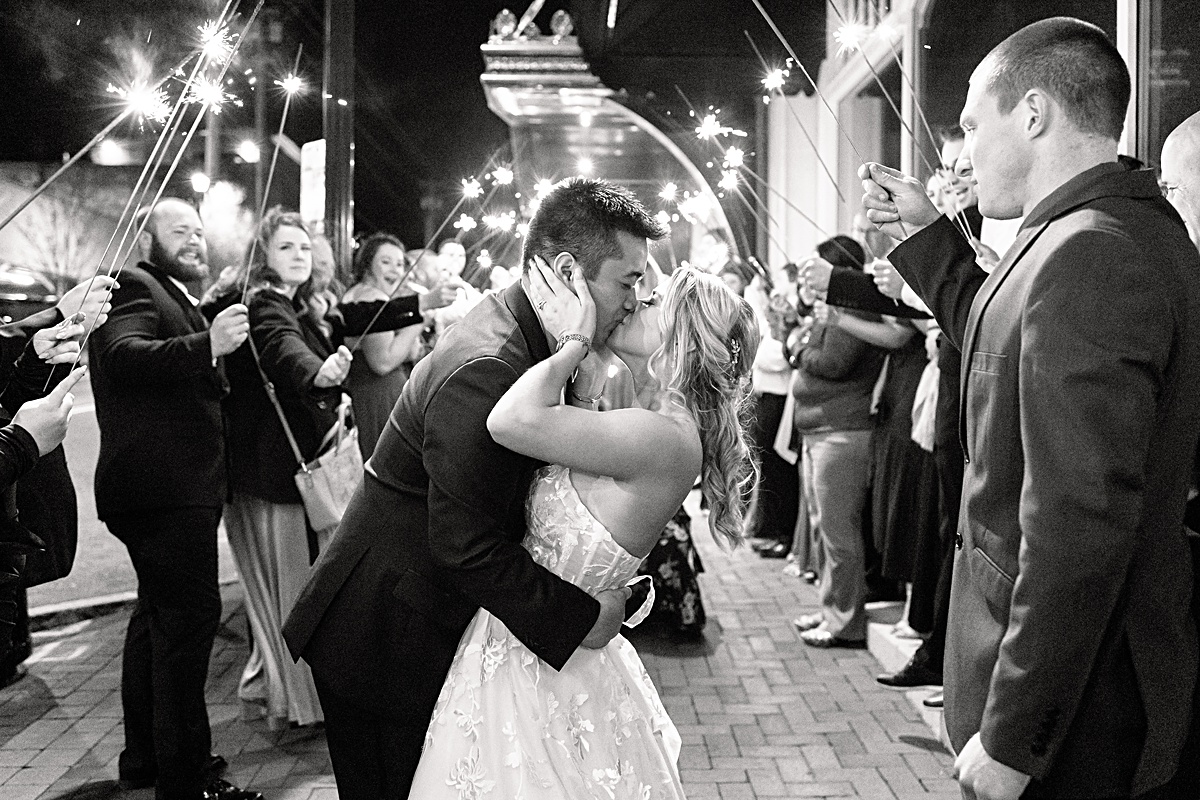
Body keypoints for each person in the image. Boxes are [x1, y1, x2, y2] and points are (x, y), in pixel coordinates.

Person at [860, 17, 1200, 799]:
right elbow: (1003, 333)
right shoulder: (1084, 234)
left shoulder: (1094, 251)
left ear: (1036, 113)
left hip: (1082, 707)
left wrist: (1016, 736)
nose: (967, 149)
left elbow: (1079, 522)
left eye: (974, 124)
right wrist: (926, 236)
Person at [282, 177, 667, 799]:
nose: (638, 297)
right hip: (390, 630)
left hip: (426, 615)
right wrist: (582, 618)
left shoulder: (526, 337)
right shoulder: (490, 364)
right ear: (569, 273)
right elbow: (461, 542)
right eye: (628, 281)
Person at [408, 261, 758, 798]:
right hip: (542, 638)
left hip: (543, 661)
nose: (636, 302)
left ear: (686, 340)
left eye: (654, 300)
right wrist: (589, 387)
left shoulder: (660, 434)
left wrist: (573, 343)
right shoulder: (652, 422)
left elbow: (509, 421)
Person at [88, 198, 260, 800]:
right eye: (178, 230)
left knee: (156, 625)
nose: (193, 240)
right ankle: (191, 781)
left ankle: (145, 764)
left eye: (197, 231)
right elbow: (122, 358)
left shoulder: (177, 294)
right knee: (187, 629)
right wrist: (206, 344)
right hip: (163, 491)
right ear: (146, 235)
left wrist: (208, 332)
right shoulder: (130, 283)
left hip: (170, 489)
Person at [788, 237, 887, 649]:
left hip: (842, 431)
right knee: (820, 528)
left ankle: (846, 619)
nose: (811, 280)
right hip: (819, 429)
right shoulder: (832, 311)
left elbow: (832, 363)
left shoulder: (853, 308)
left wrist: (798, 353)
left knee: (837, 531)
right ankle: (830, 608)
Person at [341, 233, 454, 460]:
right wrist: (419, 320)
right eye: (385, 262)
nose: (394, 270)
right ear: (367, 266)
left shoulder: (373, 296)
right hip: (376, 397)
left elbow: (409, 351)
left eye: (400, 264)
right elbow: (382, 361)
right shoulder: (370, 298)